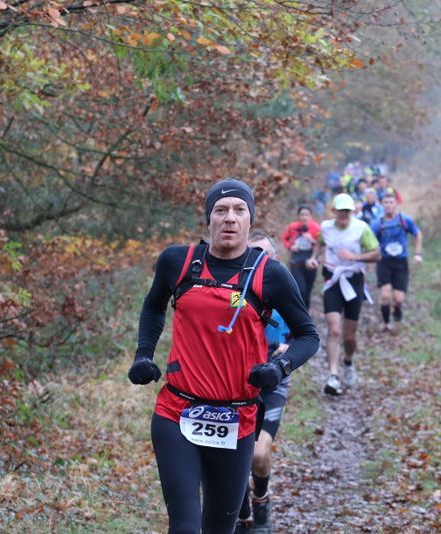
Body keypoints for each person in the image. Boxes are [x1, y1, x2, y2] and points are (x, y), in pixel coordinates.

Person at [129, 178, 319, 534]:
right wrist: (143, 355)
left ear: (249, 219)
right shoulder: (178, 261)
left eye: (239, 210)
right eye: (220, 210)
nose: (230, 217)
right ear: (209, 219)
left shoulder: (270, 274)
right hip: (177, 412)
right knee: (185, 527)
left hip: (236, 418)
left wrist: (279, 367)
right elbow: (153, 305)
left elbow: (308, 336)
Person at [236, 231, 293, 534]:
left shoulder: (284, 289)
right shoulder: (234, 291)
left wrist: (288, 348)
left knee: (258, 454)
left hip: (272, 380)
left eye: (264, 253)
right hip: (236, 382)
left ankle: (261, 501)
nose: (259, 259)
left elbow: (305, 331)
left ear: (274, 258)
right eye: (253, 253)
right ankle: (241, 510)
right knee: (234, 454)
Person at [306, 193, 380, 396]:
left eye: (347, 211)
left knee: (349, 336)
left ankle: (348, 361)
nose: (344, 215)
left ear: (352, 211)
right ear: (334, 211)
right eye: (341, 211)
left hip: (354, 279)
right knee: (334, 330)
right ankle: (333, 375)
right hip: (332, 279)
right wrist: (314, 257)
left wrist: (355, 256)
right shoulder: (326, 227)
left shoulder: (361, 228)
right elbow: (319, 243)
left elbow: (376, 254)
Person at [371, 191, 423, 331]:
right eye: (385, 203)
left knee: (399, 298)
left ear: (396, 204)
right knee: (385, 295)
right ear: (381, 204)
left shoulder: (405, 220)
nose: (388, 205)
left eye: (391, 202)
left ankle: (397, 307)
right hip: (384, 262)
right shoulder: (377, 223)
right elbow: (368, 240)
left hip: (401, 262)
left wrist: (418, 254)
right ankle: (386, 323)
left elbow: (417, 234)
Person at [281, 206, 320, 310]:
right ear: (298, 216)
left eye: (307, 215)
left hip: (311, 262)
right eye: (302, 215)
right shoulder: (292, 227)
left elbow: (321, 245)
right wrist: (290, 246)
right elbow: (284, 239)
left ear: (311, 216)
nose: (304, 217)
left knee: (307, 292)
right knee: (300, 290)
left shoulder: (316, 228)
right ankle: (298, 313)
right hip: (296, 261)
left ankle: (306, 314)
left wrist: (312, 240)